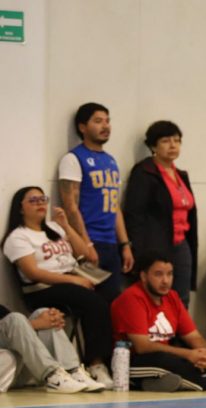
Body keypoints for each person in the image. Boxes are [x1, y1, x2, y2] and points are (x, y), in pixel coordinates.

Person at [3, 186, 114, 388]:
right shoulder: (18, 237)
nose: (40, 203)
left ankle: (95, 365)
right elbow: (32, 272)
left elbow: (86, 255)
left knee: (111, 294)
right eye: (33, 200)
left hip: (73, 278)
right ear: (20, 208)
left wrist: (67, 226)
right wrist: (73, 280)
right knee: (92, 302)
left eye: (43, 199)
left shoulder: (54, 228)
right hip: (43, 288)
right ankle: (95, 365)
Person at [111, 251, 206, 391]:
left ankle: (158, 383)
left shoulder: (172, 297)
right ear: (144, 276)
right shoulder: (132, 298)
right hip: (133, 362)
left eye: (169, 274)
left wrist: (204, 355)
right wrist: (188, 354)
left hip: (168, 358)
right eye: (158, 274)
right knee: (165, 360)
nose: (165, 281)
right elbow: (142, 346)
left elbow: (194, 336)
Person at [58, 102, 134, 301]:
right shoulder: (74, 159)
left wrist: (125, 244)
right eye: (98, 121)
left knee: (113, 303)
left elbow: (115, 206)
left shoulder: (111, 160)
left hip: (111, 244)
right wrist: (86, 244)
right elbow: (71, 207)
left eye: (107, 121)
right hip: (89, 241)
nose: (105, 126)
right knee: (92, 304)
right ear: (82, 127)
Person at [123, 120, 198, 307]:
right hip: (155, 245)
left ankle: (179, 327)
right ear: (153, 146)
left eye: (177, 141)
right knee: (155, 298)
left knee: (181, 299)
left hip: (182, 243)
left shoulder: (181, 175)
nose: (173, 145)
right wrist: (137, 250)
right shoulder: (144, 172)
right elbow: (134, 214)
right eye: (166, 141)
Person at [0, 305, 99, 393]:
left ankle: (72, 371)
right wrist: (35, 324)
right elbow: (13, 323)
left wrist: (50, 319)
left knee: (43, 312)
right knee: (15, 319)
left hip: (17, 368)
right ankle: (51, 375)